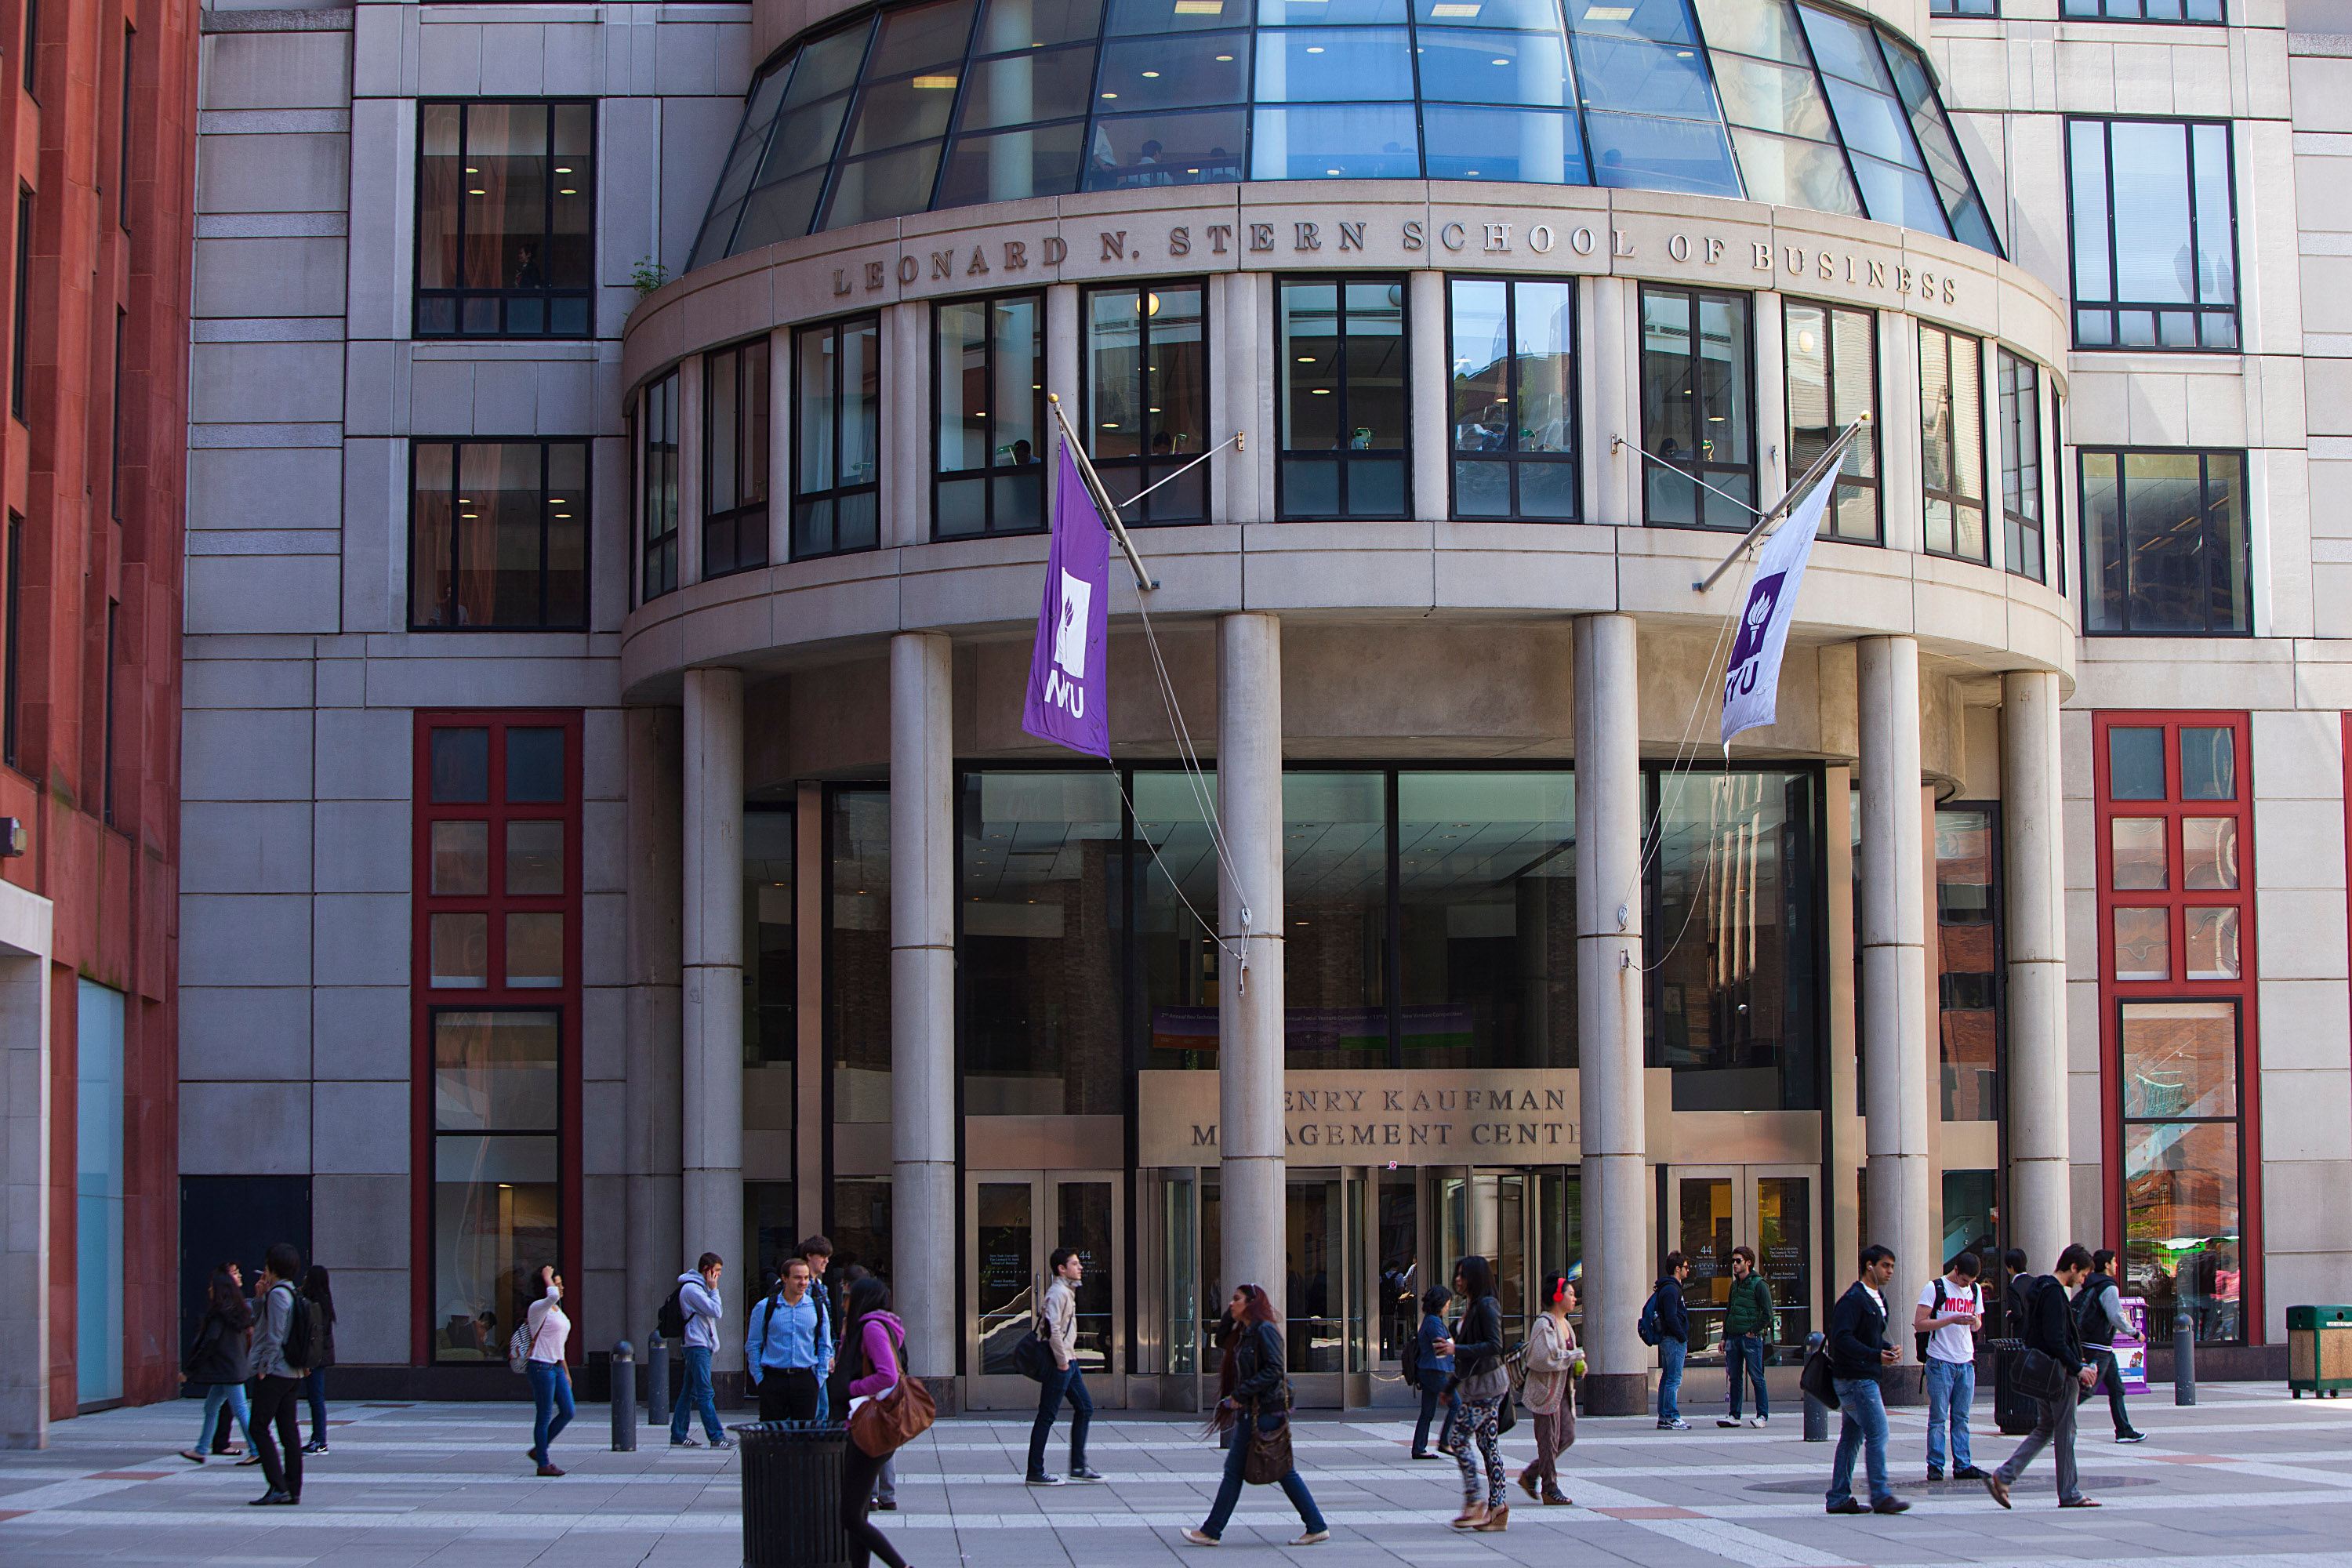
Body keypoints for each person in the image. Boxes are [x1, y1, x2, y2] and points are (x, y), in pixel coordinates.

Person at [1180, 1284, 1330, 1548]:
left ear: (1251, 1303)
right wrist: (1232, 1314)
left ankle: (1212, 1531)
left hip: (1264, 1410)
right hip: (1256, 1409)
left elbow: (1274, 1369)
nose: (1231, 1303)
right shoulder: (1246, 1332)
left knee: (1243, 1471)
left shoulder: (1265, 1331)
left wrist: (1242, 1392)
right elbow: (1220, 1341)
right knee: (1279, 1470)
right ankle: (1316, 1525)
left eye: (1236, 1299)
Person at [1986, 1245, 2101, 1510]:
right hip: (2058, 1374)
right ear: (2073, 1268)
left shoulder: (2039, 1289)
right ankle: (2069, 1493)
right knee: (2065, 1431)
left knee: (2045, 1428)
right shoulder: (2053, 1293)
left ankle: (2004, 1476)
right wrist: (2077, 1367)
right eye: (2083, 1275)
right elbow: (2056, 1338)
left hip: (2044, 1372)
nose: (2083, 1281)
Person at [1824, 1244, 1909, 1516]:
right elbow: (1842, 1338)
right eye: (1886, 1265)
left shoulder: (1877, 1298)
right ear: (1869, 1265)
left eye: (1892, 1266)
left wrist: (1885, 1348)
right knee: (1878, 1432)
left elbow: (1867, 1335)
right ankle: (1881, 1495)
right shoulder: (1853, 1299)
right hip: (1856, 1378)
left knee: (1851, 1437)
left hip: (1862, 1375)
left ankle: (1838, 1496)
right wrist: (1876, 1355)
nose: (1890, 1272)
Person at [833, 1276, 911, 1568]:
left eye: (847, 1297)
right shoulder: (864, 1328)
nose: (843, 1304)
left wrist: (849, 1389)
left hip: (870, 1429)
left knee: (850, 1516)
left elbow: (888, 1376)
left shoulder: (873, 1328)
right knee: (858, 1514)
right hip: (863, 1426)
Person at [1437, 1255, 1512, 1532]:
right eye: (1457, 1274)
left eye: (1462, 1275)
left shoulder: (1487, 1305)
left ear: (1475, 1278)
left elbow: (1494, 1345)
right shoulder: (1472, 1306)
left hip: (1489, 1385)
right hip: (1475, 1385)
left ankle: (1475, 1501)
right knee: (1488, 1444)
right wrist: (1450, 1387)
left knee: (1457, 1437)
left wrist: (1456, 1350)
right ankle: (1498, 1507)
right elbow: (1469, 1355)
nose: (1457, 1280)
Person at [1028, 1247, 1103, 1485]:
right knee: (1047, 1415)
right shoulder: (1059, 1292)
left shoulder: (1067, 1291)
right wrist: (1062, 1362)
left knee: (1085, 1408)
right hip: (1060, 1363)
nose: (1080, 1267)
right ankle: (1035, 1471)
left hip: (1069, 1361)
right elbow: (1052, 1329)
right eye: (1074, 1264)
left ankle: (1079, 1467)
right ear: (1062, 1269)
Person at [248, 1242, 312, 1506]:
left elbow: (273, 1337)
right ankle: (293, 1488)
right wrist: (260, 1297)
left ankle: (278, 1486)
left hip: (276, 1371)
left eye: (266, 1264)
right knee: (288, 1430)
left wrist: (263, 1368)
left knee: (258, 1427)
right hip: (293, 1373)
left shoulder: (278, 1295)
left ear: (273, 1267)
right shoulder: (292, 1293)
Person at [1916, 1251, 1986, 1481]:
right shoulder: (1935, 1288)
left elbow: (1977, 1326)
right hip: (1940, 1360)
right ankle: (1935, 1465)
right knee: (1938, 1416)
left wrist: (1974, 1321)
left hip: (1966, 1360)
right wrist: (1951, 1319)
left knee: (1962, 1417)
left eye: (1971, 1282)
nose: (1967, 1285)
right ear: (1956, 1270)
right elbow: (1920, 1323)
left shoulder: (1974, 1291)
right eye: (1964, 1280)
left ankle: (1963, 1464)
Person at [180, 1269, 256, 1465]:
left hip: (228, 1371)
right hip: (232, 1369)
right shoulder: (237, 1312)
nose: (209, 1289)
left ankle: (256, 1448)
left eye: (212, 1286)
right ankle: (201, 1449)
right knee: (212, 1406)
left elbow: (209, 1342)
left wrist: (191, 1370)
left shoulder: (219, 1315)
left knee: (240, 1409)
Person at [1517, 1273, 1579, 1507]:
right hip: (1545, 1392)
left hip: (1562, 1391)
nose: (1574, 1298)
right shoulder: (1544, 1325)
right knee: (1548, 1440)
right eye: (1570, 1294)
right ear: (1557, 1297)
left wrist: (1577, 1367)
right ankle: (1549, 1487)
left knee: (1566, 1436)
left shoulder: (1566, 1325)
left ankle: (1531, 1474)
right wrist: (1572, 1357)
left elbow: (1563, 1359)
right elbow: (1543, 1358)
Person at [747, 1256, 829, 1421]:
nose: (803, 1282)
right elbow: (753, 1344)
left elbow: (825, 1345)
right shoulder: (765, 1307)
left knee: (803, 1438)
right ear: (785, 1278)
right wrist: (760, 1379)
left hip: (806, 1379)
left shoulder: (817, 1307)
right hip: (773, 1379)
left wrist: (819, 1379)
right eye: (797, 1277)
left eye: (806, 1278)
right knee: (772, 1437)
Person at [2078, 1248, 2145, 1443]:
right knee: (2085, 1391)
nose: (2116, 1265)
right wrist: (2134, 1333)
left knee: (2116, 1388)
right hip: (2098, 1347)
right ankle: (2050, 1425)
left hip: (2101, 1347)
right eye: (2114, 1262)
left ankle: (2124, 1430)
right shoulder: (2108, 1287)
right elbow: (2115, 1315)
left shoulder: (2091, 1284)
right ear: (2107, 1264)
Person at [670, 1251, 735, 1450]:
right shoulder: (692, 1289)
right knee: (705, 1393)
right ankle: (716, 1436)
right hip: (697, 1347)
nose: (719, 1275)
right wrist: (714, 1289)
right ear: (707, 1271)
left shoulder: (697, 1288)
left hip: (698, 1345)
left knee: (688, 1391)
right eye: (717, 1271)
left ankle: (678, 1435)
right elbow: (716, 1311)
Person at [524, 1264, 574, 1475]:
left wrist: (566, 1371)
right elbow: (552, 1296)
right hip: (540, 1367)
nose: (561, 1288)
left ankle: (539, 1449)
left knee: (568, 1411)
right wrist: (546, 1276)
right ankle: (543, 1464)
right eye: (557, 1283)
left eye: (561, 1284)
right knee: (544, 1415)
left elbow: (559, 1344)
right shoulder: (538, 1307)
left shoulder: (556, 1310)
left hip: (556, 1366)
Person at [1720, 1244, 1772, 1428]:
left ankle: (1762, 1415)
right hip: (1734, 1337)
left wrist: (1753, 1331)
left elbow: (1768, 1314)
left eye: (1738, 1261)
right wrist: (1724, 1337)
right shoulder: (1735, 1286)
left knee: (1756, 1376)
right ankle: (1734, 1415)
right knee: (1735, 1377)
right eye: (1733, 1261)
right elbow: (1729, 1312)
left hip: (1750, 1338)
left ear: (1748, 1263)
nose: (1734, 1264)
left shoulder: (1759, 1284)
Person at [1410, 1285, 1456, 1460]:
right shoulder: (1434, 1322)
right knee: (1456, 1404)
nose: (1448, 1307)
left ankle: (1419, 1448)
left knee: (1427, 1412)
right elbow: (1441, 1347)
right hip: (1434, 1370)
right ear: (1440, 1304)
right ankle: (1445, 1441)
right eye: (1447, 1303)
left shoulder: (1431, 1320)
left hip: (1428, 1370)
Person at [297, 1265, 337, 1454]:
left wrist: (308, 1363)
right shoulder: (324, 1301)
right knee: (316, 1399)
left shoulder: (314, 1304)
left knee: (316, 1399)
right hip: (319, 1357)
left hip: (315, 1359)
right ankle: (318, 1439)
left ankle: (320, 1441)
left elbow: (313, 1336)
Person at [1651, 1251, 1692, 1431]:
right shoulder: (1671, 1289)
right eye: (1685, 1267)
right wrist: (1682, 1336)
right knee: (1673, 1379)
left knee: (1668, 1377)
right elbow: (1671, 1317)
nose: (1688, 1270)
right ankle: (1671, 1416)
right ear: (1677, 1269)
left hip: (1670, 1339)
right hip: (1673, 1339)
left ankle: (1665, 1417)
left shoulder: (1669, 1287)